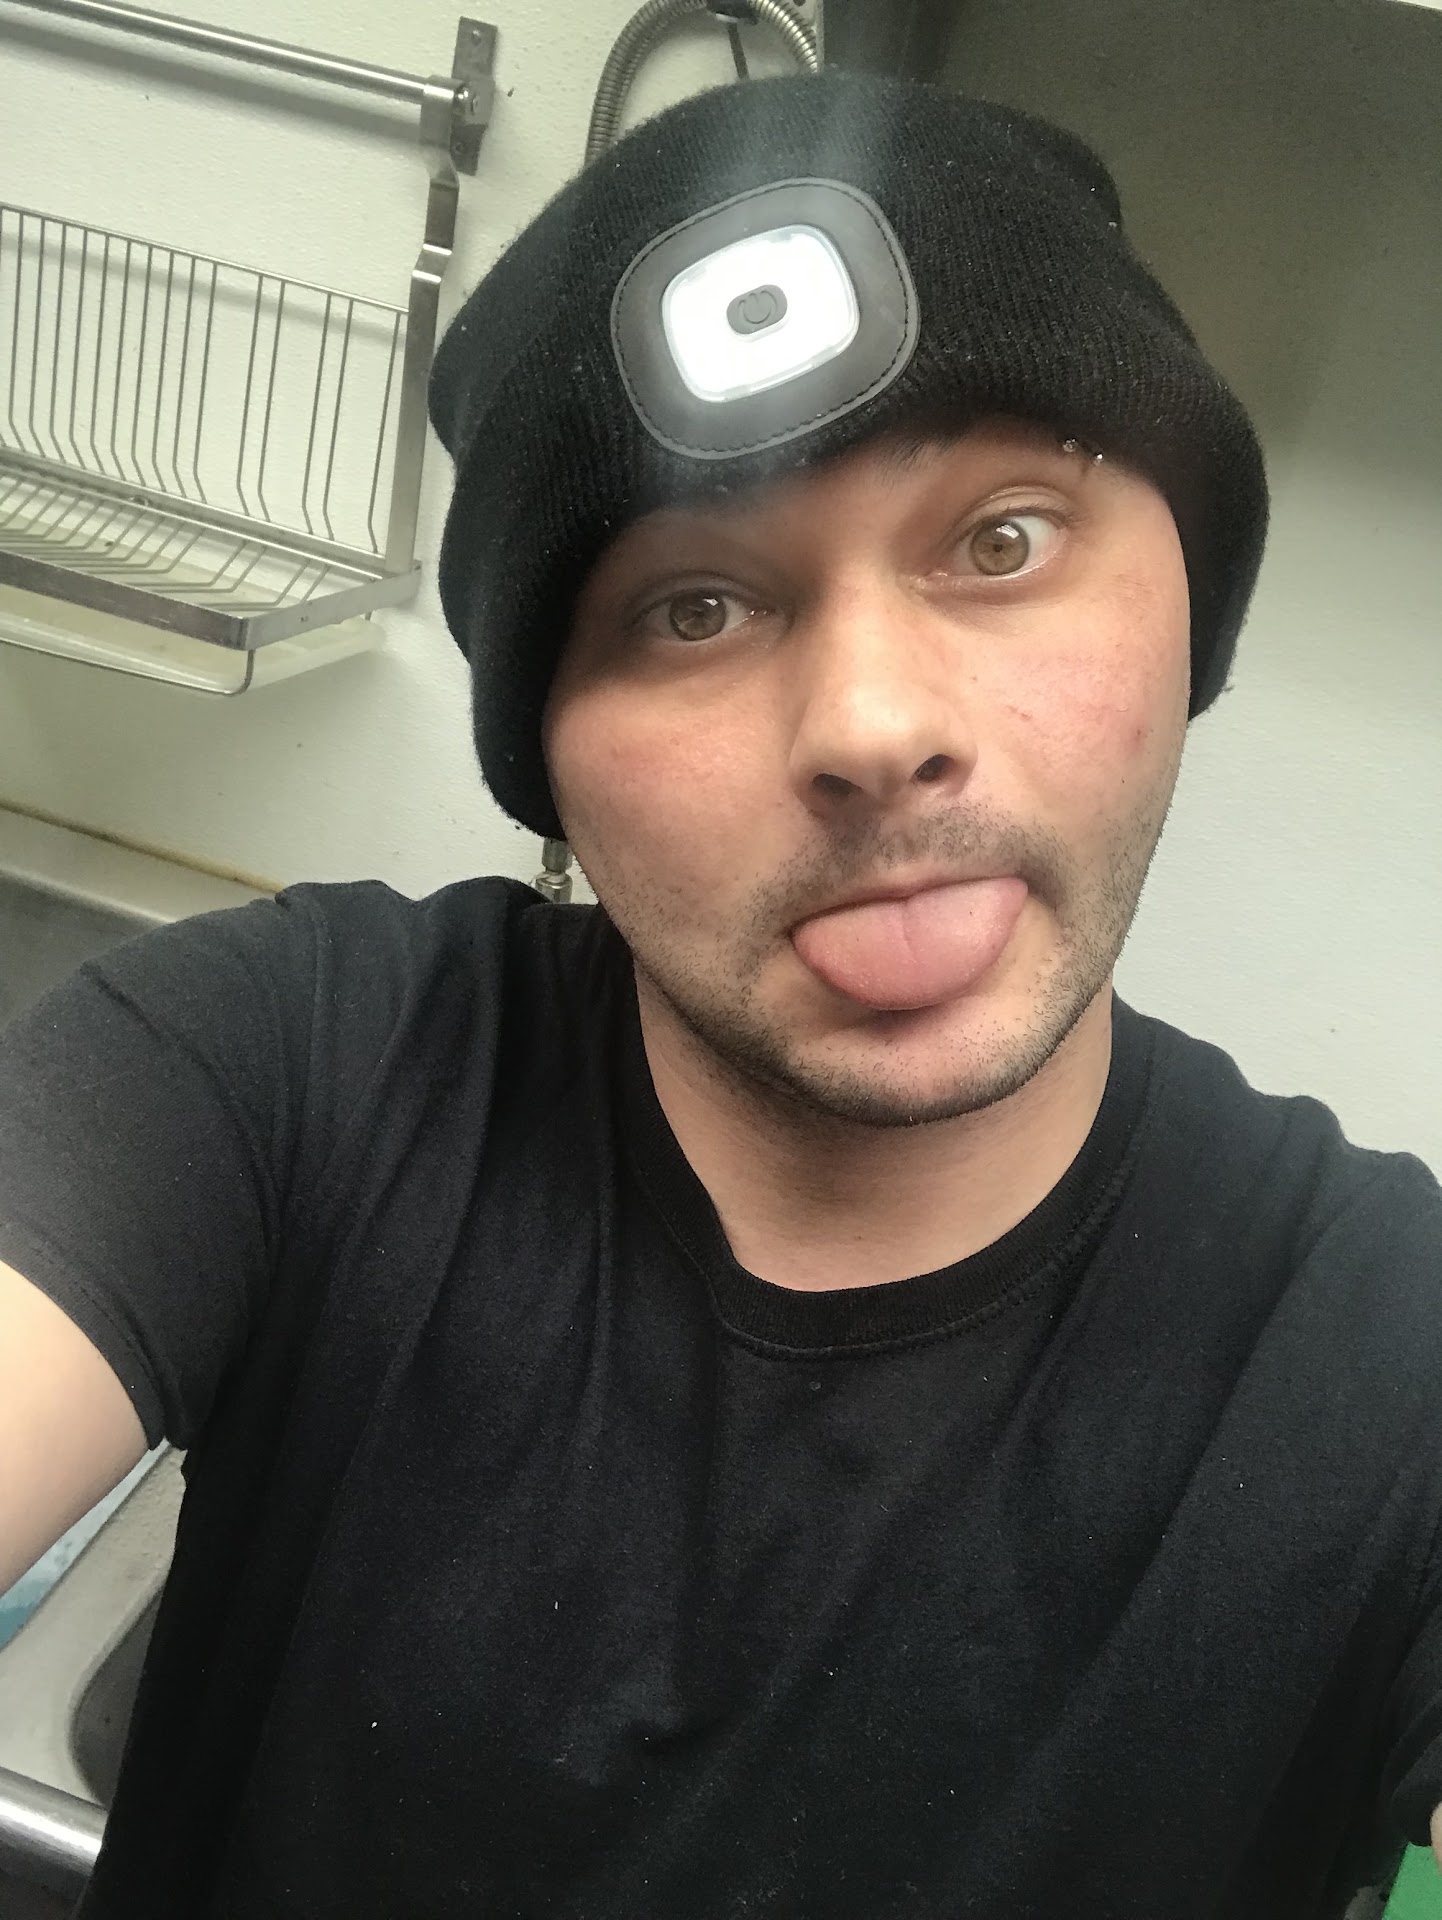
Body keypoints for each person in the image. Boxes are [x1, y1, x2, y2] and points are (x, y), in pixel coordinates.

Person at [0, 66, 1438, 1920]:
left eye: (1000, 537)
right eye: (692, 606)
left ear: (1191, 606)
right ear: (550, 758)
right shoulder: (277, 1071)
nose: (874, 728)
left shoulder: (1391, 1361)